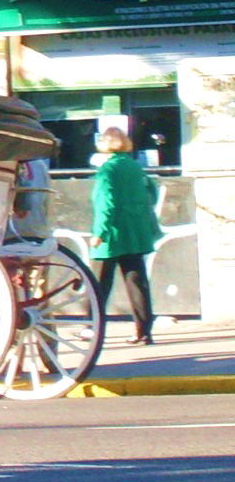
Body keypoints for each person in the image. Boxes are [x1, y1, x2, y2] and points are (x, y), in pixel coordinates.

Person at [90, 127, 162, 346]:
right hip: (136, 232)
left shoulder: (107, 170)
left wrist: (99, 233)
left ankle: (93, 329)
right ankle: (144, 331)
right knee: (136, 282)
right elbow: (153, 193)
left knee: (99, 284)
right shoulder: (135, 167)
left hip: (112, 235)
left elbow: (106, 204)